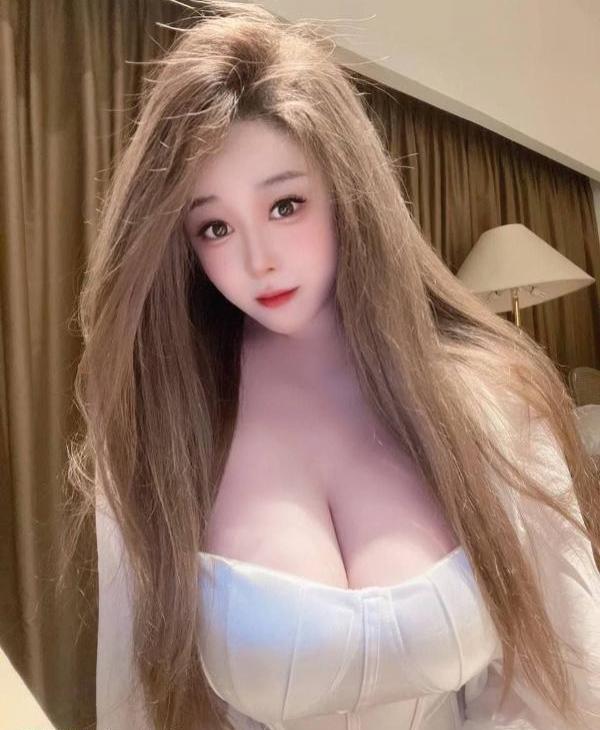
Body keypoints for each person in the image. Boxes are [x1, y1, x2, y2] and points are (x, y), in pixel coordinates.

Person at [66, 2, 600, 729]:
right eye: (215, 226)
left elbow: (568, 684)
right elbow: (137, 707)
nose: (258, 259)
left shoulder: (490, 398)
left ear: (349, 192)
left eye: (285, 205)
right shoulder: (155, 431)